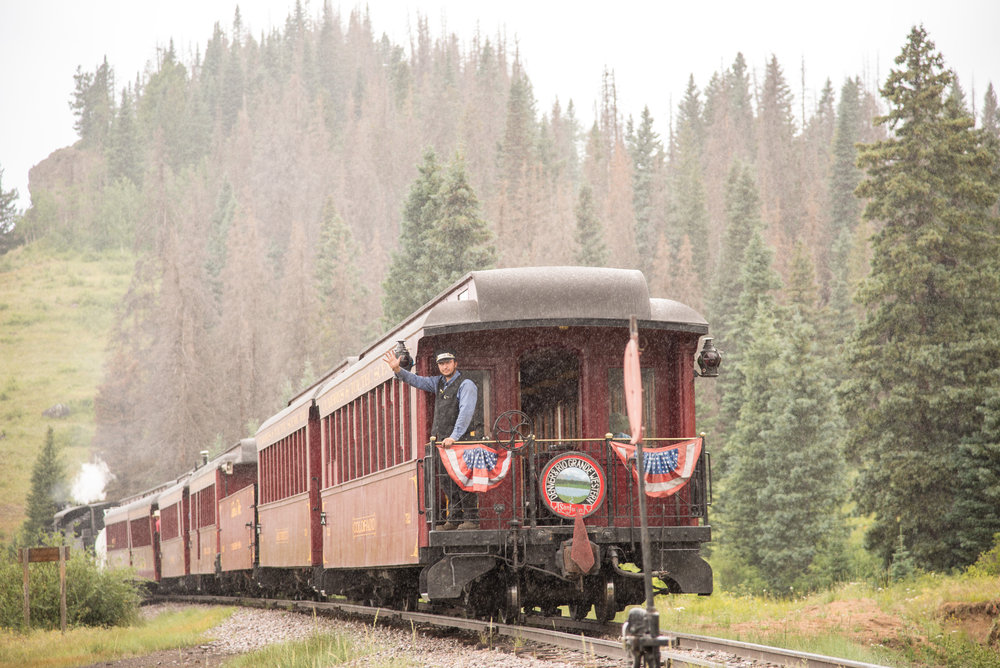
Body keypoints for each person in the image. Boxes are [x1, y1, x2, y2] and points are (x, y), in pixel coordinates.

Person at [383, 347, 479, 530]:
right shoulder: (439, 383)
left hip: (461, 443)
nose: (445, 367)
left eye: (448, 363)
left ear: (455, 364)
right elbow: (417, 381)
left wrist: (454, 436)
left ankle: (472, 519)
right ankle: (455, 519)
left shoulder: (466, 384)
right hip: (444, 444)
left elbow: (466, 413)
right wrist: (397, 370)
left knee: (463, 479)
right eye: (441, 364)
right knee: (447, 481)